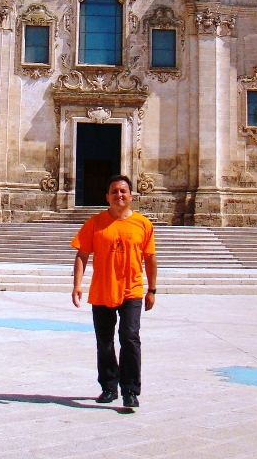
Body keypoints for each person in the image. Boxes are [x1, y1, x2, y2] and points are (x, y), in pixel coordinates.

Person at [71, 175, 157, 409]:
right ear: (107, 196)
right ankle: (109, 387)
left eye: (123, 191)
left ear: (131, 196)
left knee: (130, 338)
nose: (119, 195)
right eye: (115, 191)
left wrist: (152, 289)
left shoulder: (143, 224)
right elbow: (82, 254)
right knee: (105, 341)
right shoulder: (95, 223)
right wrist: (77, 284)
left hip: (132, 290)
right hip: (102, 289)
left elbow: (150, 258)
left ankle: (130, 390)